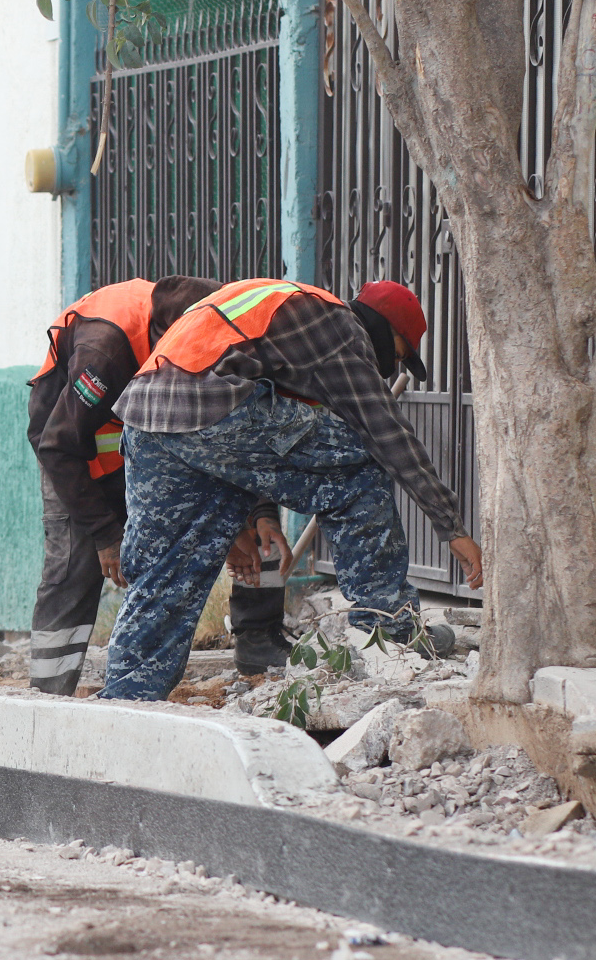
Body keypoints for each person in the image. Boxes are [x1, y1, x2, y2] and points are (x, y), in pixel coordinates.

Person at [99, 277, 486, 702]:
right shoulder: (339, 325)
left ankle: (126, 696)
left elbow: (254, 453)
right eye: (395, 354)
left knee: (165, 569)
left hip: (146, 418)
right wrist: (451, 525)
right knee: (360, 463)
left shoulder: (285, 304)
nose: (389, 369)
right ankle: (389, 630)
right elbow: (385, 432)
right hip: (208, 409)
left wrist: (253, 516)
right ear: (384, 328)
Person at [26, 277, 292, 696]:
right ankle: (46, 695)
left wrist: (255, 512)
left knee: (259, 530)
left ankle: (257, 641)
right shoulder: (105, 351)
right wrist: (106, 534)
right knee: (75, 568)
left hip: (152, 445)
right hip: (75, 458)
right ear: (167, 340)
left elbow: (231, 433)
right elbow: (58, 446)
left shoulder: (209, 329)